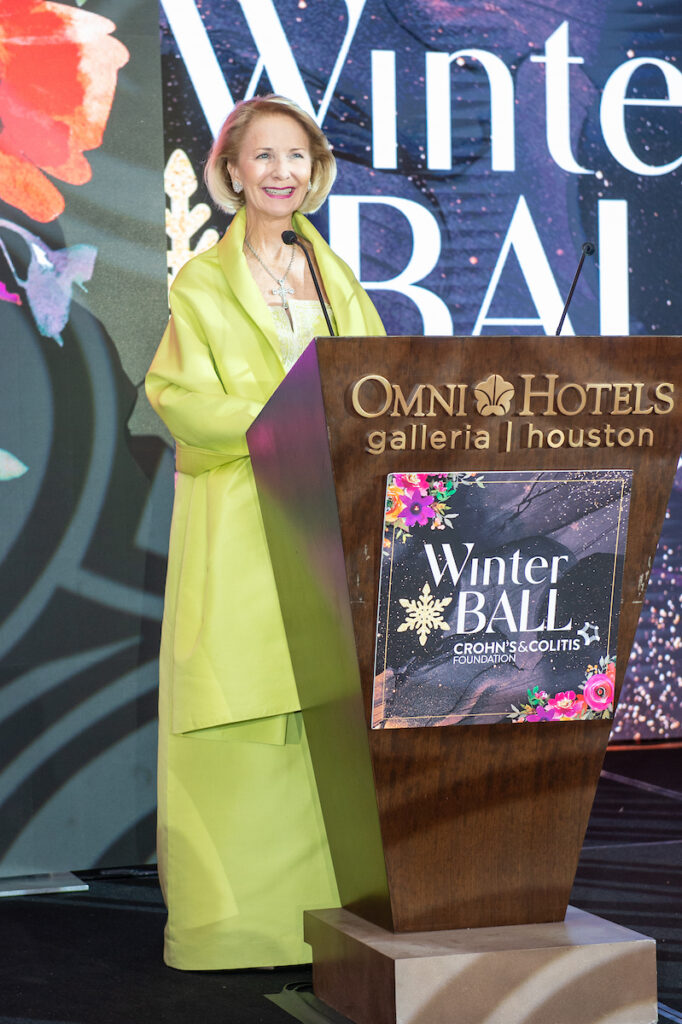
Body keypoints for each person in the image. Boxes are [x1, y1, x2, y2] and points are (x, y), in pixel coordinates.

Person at [145, 95, 385, 971]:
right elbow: (177, 399)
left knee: (329, 715)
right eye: (264, 156)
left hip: (334, 523)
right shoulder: (202, 283)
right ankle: (238, 929)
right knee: (245, 710)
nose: (282, 171)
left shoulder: (333, 276)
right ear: (232, 172)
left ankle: (332, 915)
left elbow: (378, 380)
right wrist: (280, 420)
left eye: (297, 155)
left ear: (312, 172)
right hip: (246, 519)